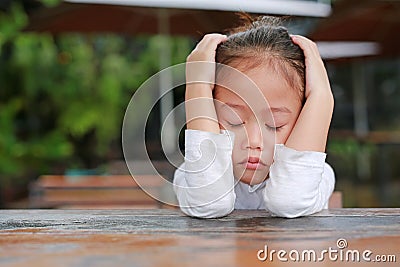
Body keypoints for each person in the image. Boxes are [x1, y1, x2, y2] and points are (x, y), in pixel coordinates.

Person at [173, 15, 335, 218]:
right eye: (234, 121)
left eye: (274, 125)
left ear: (306, 118)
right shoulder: (191, 175)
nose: (254, 141)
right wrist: (198, 88)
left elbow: (289, 202)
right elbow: (208, 204)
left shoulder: (317, 176)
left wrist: (321, 97)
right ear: (209, 113)